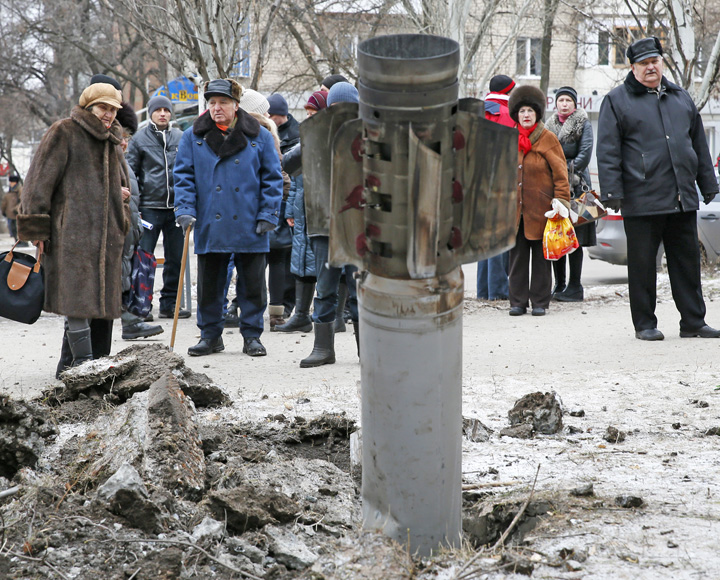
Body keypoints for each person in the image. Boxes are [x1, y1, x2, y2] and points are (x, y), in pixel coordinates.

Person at [597, 37, 720, 341]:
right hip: (642, 198)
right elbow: (608, 150)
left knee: (687, 263)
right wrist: (612, 192)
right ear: (633, 67)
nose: (651, 67)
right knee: (642, 266)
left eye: (655, 61)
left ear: (661, 63)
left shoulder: (680, 97)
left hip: (682, 198)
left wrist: (707, 182)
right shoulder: (616, 100)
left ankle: (693, 322)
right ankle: (645, 324)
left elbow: (698, 146)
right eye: (644, 63)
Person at [17, 82, 130, 372]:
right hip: (71, 236)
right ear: (89, 107)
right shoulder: (64, 131)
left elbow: (122, 187)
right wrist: (36, 229)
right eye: (103, 107)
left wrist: (122, 215)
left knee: (103, 309)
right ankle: (81, 366)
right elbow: (38, 183)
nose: (109, 114)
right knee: (76, 302)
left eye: (114, 109)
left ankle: (87, 368)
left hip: (107, 239)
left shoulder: (112, 140)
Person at [173, 79, 283, 357]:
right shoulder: (192, 136)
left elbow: (272, 178)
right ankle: (210, 336)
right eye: (211, 102)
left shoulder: (260, 135)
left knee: (253, 284)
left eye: (222, 102)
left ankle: (252, 335)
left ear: (236, 105)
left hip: (250, 220)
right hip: (211, 219)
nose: (216, 108)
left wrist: (269, 213)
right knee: (210, 282)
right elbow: (183, 177)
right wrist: (184, 209)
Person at [298, 83, 360, 367]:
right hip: (323, 223)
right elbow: (286, 162)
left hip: (359, 225)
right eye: (336, 108)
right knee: (324, 289)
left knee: (361, 290)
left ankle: (368, 351)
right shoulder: (315, 133)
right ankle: (323, 349)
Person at [507, 85, 571, 317]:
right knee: (517, 258)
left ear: (537, 114)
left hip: (543, 211)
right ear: (516, 114)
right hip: (516, 210)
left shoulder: (547, 138)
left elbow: (561, 175)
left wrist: (562, 202)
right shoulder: (509, 138)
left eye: (530, 111)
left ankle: (540, 302)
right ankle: (517, 301)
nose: (526, 115)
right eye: (522, 111)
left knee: (542, 260)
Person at [126, 94, 188, 320]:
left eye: (167, 110)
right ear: (151, 112)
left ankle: (169, 304)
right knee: (143, 257)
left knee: (176, 258)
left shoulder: (181, 137)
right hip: (149, 208)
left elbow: (189, 171)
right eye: (158, 110)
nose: (163, 113)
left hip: (176, 209)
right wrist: (136, 206)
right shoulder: (139, 139)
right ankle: (141, 306)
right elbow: (130, 174)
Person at [117, 101, 164, 341]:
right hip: (115, 230)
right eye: (120, 137)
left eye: (127, 137)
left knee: (127, 275)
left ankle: (131, 321)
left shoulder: (123, 161)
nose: (124, 142)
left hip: (130, 229)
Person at [268, 93, 314, 333]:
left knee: (292, 259)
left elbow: (289, 175)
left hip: (301, 205)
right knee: (291, 259)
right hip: (293, 204)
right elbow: (293, 177)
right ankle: (293, 311)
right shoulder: (298, 134)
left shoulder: (298, 134)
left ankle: (292, 308)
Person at [546, 86, 595, 302]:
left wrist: (560, 169)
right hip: (555, 188)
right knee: (557, 233)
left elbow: (584, 156)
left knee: (575, 237)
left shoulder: (583, 123)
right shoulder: (549, 126)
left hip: (577, 186)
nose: (564, 104)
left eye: (568, 100)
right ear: (555, 103)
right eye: (561, 100)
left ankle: (576, 286)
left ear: (575, 104)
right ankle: (560, 284)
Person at [476, 74, 516, 301]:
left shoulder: (478, 112)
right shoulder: (509, 114)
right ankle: (498, 291)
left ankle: (483, 290)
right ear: (508, 92)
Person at [1, 174, 26, 246]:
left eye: (12, 182)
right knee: (13, 229)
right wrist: (3, 211)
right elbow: (4, 202)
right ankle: (17, 241)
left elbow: (22, 201)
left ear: (15, 182)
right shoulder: (9, 191)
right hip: (10, 214)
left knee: (19, 228)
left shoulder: (20, 190)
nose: (10, 183)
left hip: (16, 213)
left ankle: (22, 242)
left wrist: (16, 209)